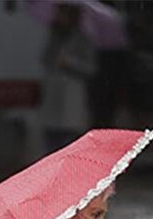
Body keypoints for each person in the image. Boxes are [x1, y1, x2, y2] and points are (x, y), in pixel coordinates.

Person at [39, 3, 96, 154]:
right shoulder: (53, 36)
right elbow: (44, 58)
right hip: (53, 93)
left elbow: (90, 68)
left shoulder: (83, 39)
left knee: (68, 141)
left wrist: (70, 62)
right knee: (51, 140)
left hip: (72, 94)